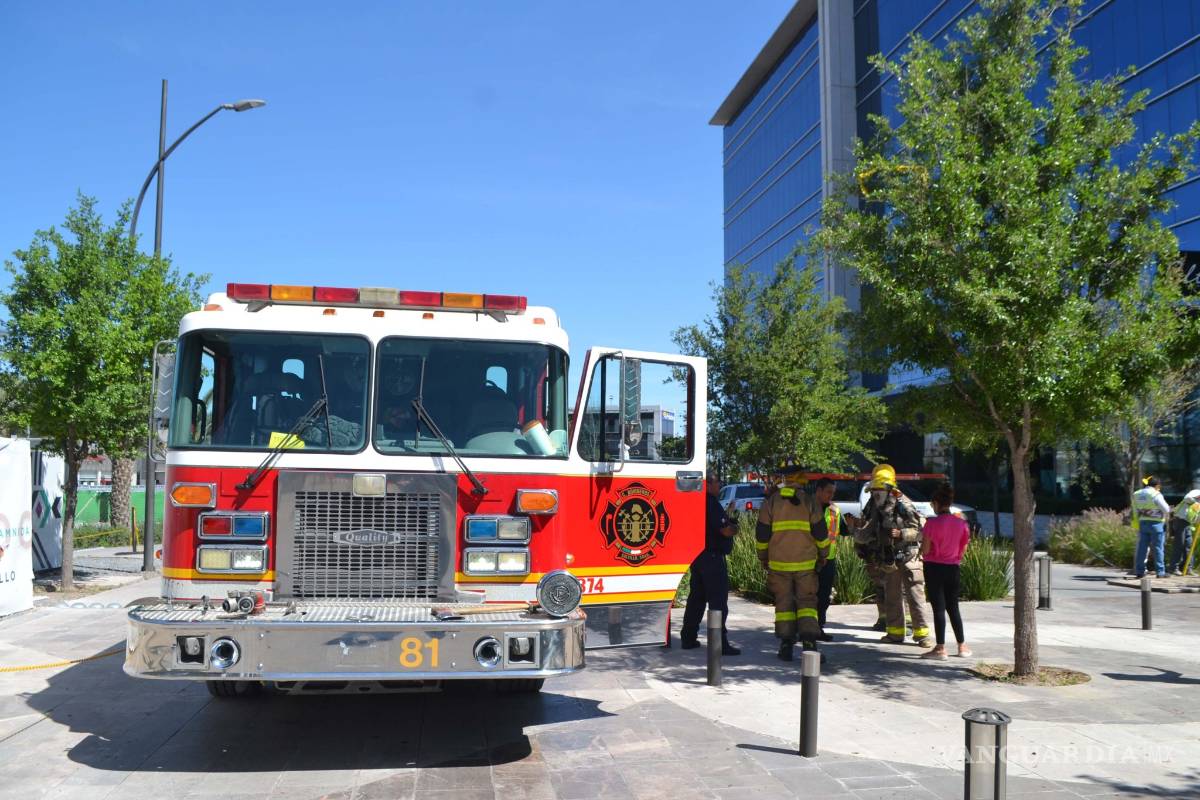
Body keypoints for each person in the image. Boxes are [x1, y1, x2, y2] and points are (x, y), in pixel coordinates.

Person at [849, 464, 932, 647]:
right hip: (889, 559)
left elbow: (922, 531)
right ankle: (895, 633)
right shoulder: (874, 505)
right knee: (892, 596)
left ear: (889, 488)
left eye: (879, 489)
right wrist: (855, 530)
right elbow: (869, 530)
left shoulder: (904, 504)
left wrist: (901, 534)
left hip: (908, 556)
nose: (875, 493)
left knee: (915, 596)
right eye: (874, 489)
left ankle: (923, 636)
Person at [756, 469, 827, 661]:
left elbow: (762, 535)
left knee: (784, 605)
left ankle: (786, 645)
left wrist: (763, 557)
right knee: (807, 604)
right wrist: (824, 554)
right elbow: (821, 533)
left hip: (779, 565)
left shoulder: (771, 501)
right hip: (805, 564)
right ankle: (810, 645)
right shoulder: (810, 501)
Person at [680, 472, 740, 655]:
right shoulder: (711, 503)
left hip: (698, 557)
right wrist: (735, 526)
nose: (720, 486)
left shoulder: (697, 502)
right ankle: (720, 642)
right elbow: (725, 531)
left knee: (697, 599)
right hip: (713, 558)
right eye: (717, 483)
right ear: (708, 485)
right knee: (718, 601)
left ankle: (688, 638)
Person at [919, 483, 972, 660]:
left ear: (936, 503)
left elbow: (926, 550)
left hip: (933, 567)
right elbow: (963, 549)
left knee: (939, 608)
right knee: (953, 607)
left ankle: (940, 648)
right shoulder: (962, 524)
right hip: (953, 567)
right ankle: (962, 646)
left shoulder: (931, 524)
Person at [812, 477, 841, 641]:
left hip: (828, 560)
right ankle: (803, 629)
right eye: (828, 492)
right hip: (810, 559)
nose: (831, 495)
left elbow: (841, 530)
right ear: (819, 491)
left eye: (833, 492)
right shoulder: (808, 508)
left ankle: (818, 628)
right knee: (807, 596)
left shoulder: (834, 510)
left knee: (823, 597)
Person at [1131, 476, 1171, 578]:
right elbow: (1166, 509)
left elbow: (1135, 510)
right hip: (1156, 524)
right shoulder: (1155, 494)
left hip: (1143, 523)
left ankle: (1140, 572)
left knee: (1142, 548)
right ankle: (1160, 572)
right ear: (1157, 485)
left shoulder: (1136, 494)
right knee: (1158, 548)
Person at [1168, 488, 1200, 576]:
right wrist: (1196, 501)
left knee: (1189, 545)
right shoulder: (1197, 492)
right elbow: (1187, 498)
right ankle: (1173, 568)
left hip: (1188, 523)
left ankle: (1188, 568)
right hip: (1180, 520)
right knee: (1179, 544)